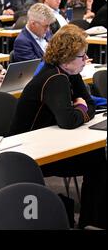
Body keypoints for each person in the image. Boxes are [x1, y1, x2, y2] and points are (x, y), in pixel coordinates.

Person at [10, 25, 106, 229]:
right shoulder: (55, 77)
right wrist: (80, 107)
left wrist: (80, 107)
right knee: (100, 162)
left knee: (99, 156)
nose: (86, 59)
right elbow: (69, 120)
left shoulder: (70, 73)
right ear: (67, 57)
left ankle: (92, 220)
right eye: (82, 56)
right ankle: (91, 222)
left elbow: (89, 104)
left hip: (50, 143)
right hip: (29, 153)